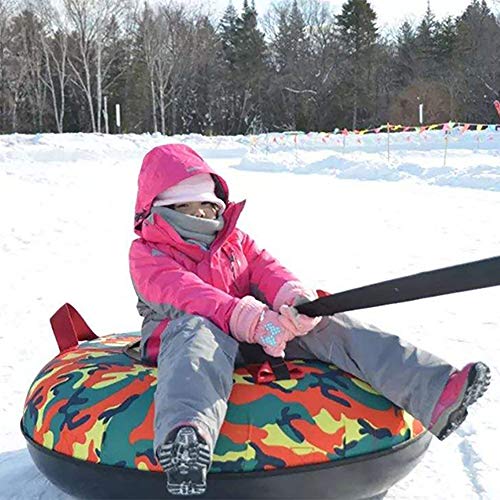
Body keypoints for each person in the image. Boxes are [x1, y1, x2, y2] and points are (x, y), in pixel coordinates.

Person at [129, 143, 491, 497]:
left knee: (327, 325)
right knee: (197, 331)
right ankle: (186, 444)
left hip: (251, 333)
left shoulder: (233, 240)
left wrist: (294, 301)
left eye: (208, 208)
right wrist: (250, 319)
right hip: (185, 340)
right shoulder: (147, 253)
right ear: (161, 209)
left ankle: (434, 391)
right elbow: (187, 294)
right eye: (188, 208)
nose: (203, 218)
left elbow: (266, 269)